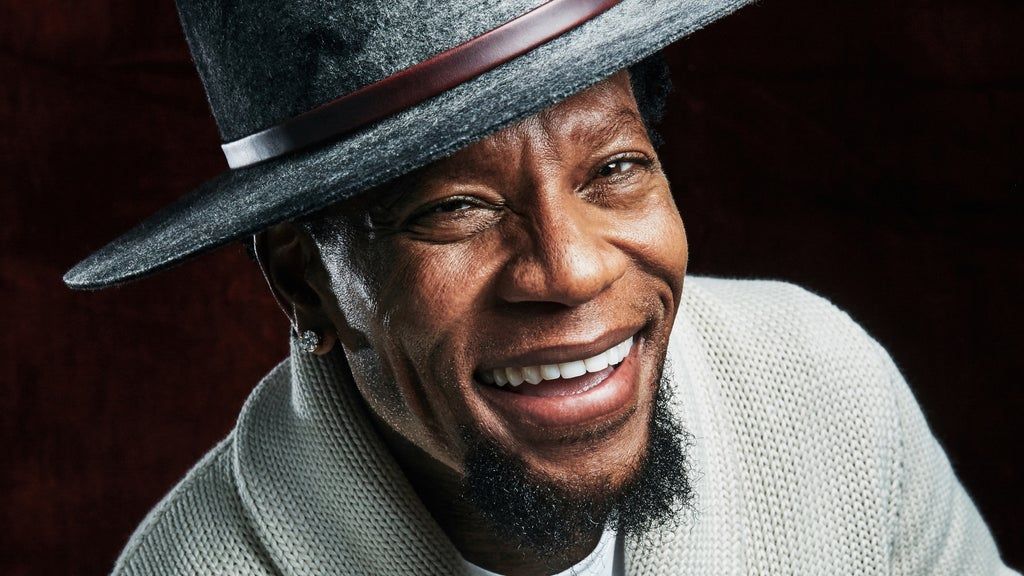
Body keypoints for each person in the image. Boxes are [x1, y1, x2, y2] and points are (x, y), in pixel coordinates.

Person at [64, 0, 1017, 575]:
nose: (572, 269)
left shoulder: (826, 386)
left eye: (615, 169)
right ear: (305, 284)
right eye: (457, 208)